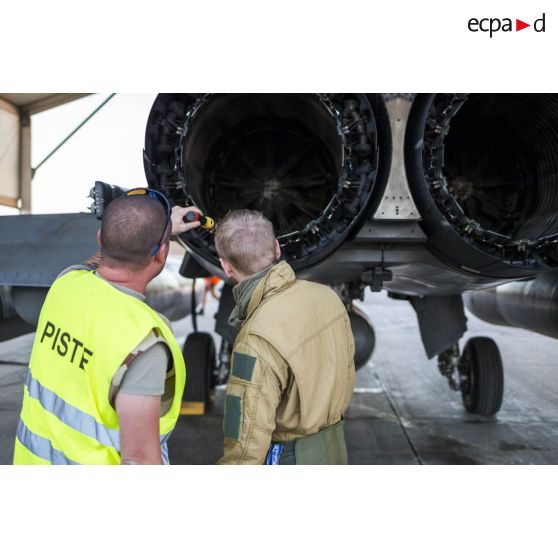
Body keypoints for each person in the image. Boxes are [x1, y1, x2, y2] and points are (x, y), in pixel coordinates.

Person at [13, 191, 201, 465]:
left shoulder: (65, 283)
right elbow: (139, 460)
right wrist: (163, 229)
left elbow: (104, 256)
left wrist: (151, 227)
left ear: (100, 237)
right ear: (162, 254)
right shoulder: (143, 343)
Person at [214, 209, 356, 465]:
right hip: (335, 451)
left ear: (225, 266)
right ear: (277, 249)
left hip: (290, 458)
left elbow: (246, 445)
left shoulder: (255, 338)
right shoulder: (327, 297)